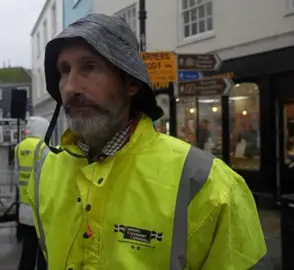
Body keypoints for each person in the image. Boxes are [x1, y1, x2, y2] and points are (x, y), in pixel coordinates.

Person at [27, 14, 268, 269]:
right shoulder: (45, 172)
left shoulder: (208, 183)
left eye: (90, 67)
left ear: (130, 82)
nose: (70, 86)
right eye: (64, 70)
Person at [15, 116, 49, 270]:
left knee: (27, 252)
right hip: (40, 209)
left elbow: (17, 176)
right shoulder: (43, 148)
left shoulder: (19, 147)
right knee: (43, 253)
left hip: (24, 208)